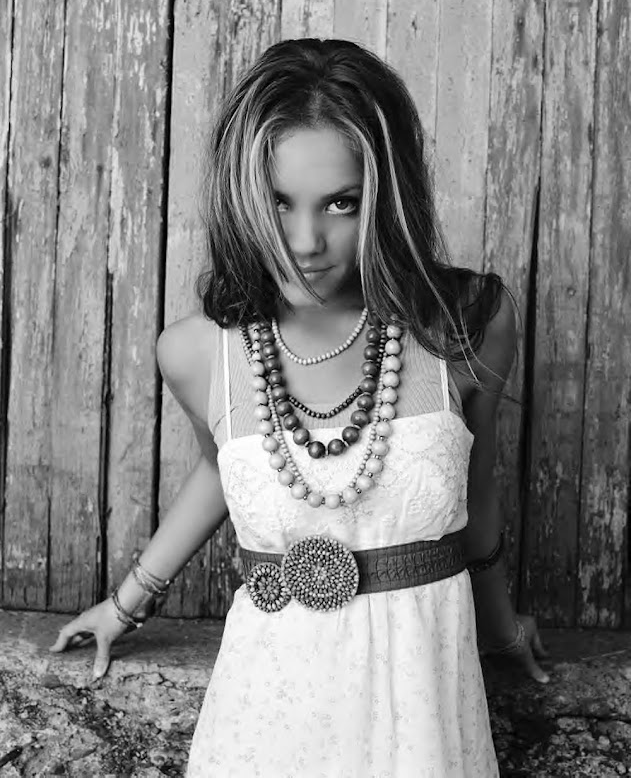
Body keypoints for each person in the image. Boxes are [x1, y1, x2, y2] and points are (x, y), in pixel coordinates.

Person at [51, 38, 549, 776]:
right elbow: (227, 470)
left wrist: (500, 630)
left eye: (341, 203)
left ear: (388, 197)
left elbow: (476, 494)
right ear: (241, 198)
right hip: (265, 715)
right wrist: (126, 603)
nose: (305, 243)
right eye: (278, 203)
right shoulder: (196, 352)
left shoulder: (465, 324)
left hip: (419, 717)